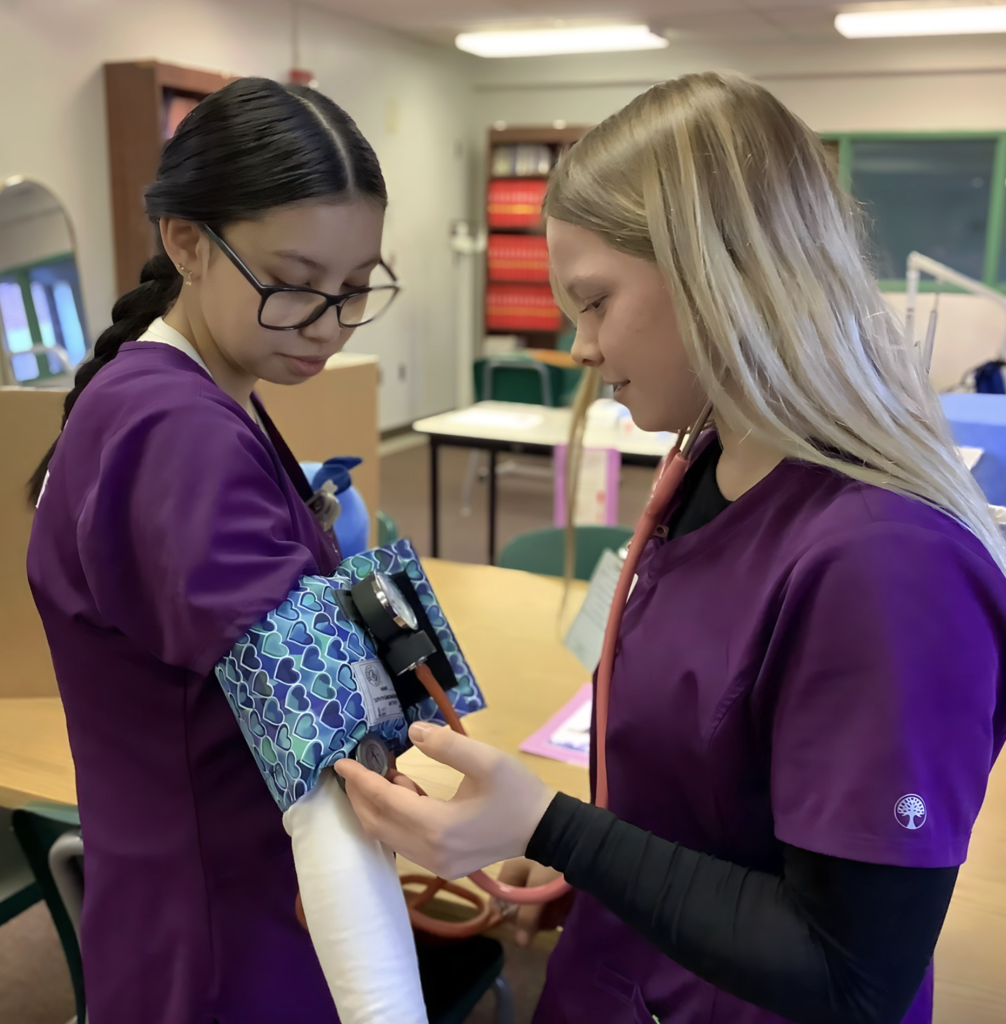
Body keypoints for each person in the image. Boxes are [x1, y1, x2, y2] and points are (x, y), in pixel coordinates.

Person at [336, 71, 1006, 1024]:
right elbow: (707, 799)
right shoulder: (705, 464)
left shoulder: (890, 566)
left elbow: (851, 975)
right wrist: (585, 861)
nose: (580, 346)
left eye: (595, 301)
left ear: (717, 272)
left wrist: (554, 826)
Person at [26, 77, 432, 1024]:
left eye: (357, 287)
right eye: (296, 284)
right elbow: (322, 775)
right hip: (232, 931)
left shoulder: (196, 396)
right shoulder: (181, 433)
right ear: (186, 242)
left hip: (201, 898)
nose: (330, 324)